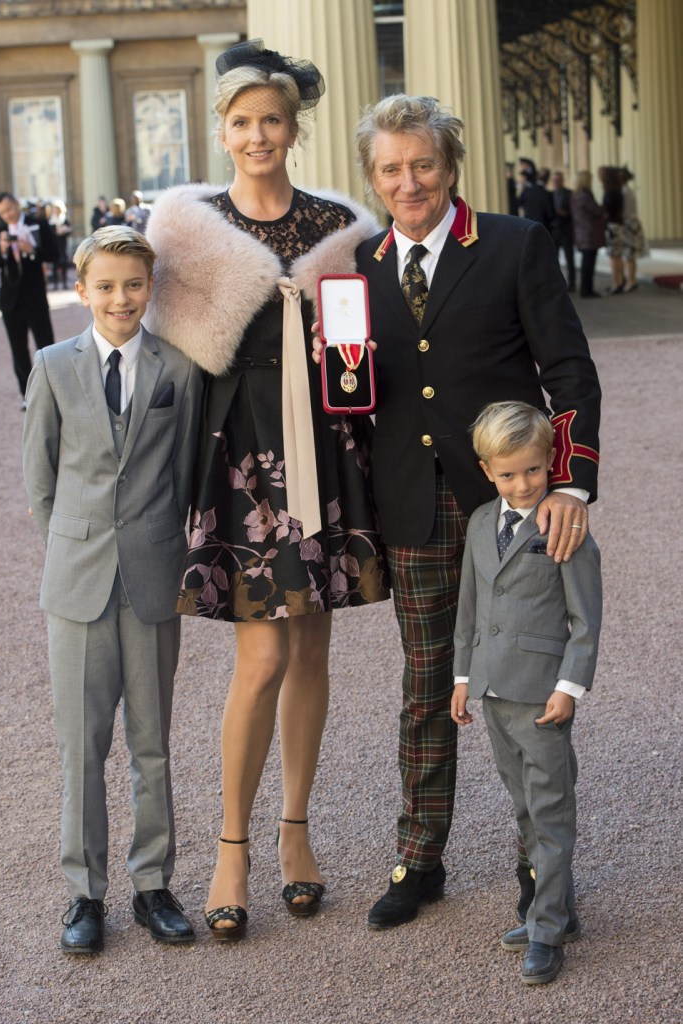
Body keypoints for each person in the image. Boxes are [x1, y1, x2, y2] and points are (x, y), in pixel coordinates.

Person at [314, 94, 600, 930]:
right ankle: (421, 858)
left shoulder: (515, 244)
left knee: (526, 693)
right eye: (392, 169)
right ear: (374, 177)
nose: (410, 182)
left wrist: (571, 486)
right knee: (427, 686)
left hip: (514, 512)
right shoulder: (356, 271)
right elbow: (354, 398)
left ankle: (538, 871)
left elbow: (570, 372)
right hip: (415, 510)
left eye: (424, 165)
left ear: (451, 167)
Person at [145, 39, 390, 941]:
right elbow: (161, 358)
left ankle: (296, 835)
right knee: (261, 659)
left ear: (295, 128)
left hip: (324, 451)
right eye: (242, 122)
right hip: (242, 456)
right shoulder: (187, 227)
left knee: (315, 653)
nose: (258, 135)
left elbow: (372, 350)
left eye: (272, 121)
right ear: (223, 129)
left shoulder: (340, 227)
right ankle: (231, 847)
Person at [22, 226, 203, 954]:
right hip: (78, 582)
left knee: (151, 743)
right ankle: (84, 895)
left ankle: (153, 885)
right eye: (106, 286)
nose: (120, 298)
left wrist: (158, 547)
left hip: (153, 577)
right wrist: (72, 554)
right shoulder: (53, 365)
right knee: (80, 746)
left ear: (149, 287)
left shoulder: (177, 369)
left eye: (133, 284)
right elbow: (40, 482)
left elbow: (186, 473)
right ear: (81, 288)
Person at [452, 400, 602, 985]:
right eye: (509, 473)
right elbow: (470, 607)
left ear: (550, 464)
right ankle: (553, 911)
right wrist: (464, 677)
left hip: (542, 696)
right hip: (492, 691)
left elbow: (585, 618)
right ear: (487, 470)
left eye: (534, 471)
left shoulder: (564, 525)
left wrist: (570, 687)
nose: (523, 484)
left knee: (550, 812)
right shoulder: (480, 521)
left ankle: (547, 929)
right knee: (523, 809)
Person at [0, 191, 58, 408]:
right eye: (2, 213)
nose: (7, 215)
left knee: (46, 348)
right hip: (10, 302)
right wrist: (2, 249)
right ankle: (28, 396)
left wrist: (32, 249)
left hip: (35, 298)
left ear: (17, 205)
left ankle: (53, 392)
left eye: (9, 209)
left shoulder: (39, 224)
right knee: (18, 350)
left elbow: (54, 253)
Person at [570, 170, 607, 299]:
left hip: (582, 232)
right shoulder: (585, 196)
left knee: (587, 262)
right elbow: (596, 210)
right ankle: (587, 290)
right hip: (589, 233)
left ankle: (587, 289)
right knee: (588, 263)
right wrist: (604, 208)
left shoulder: (575, 195)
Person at [619, 167, 647, 292]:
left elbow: (624, 211)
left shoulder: (624, 192)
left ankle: (631, 280)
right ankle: (631, 279)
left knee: (629, 254)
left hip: (629, 224)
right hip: (632, 223)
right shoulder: (627, 190)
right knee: (630, 254)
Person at [599, 165, 625, 293]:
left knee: (614, 256)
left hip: (612, 226)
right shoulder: (618, 191)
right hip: (618, 224)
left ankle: (617, 283)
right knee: (617, 255)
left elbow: (606, 211)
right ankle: (618, 281)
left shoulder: (609, 192)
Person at [550, 170, 576, 291]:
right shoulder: (550, 194)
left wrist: (564, 213)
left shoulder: (569, 194)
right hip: (554, 230)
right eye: (554, 180)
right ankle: (557, 283)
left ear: (562, 181)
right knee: (554, 258)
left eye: (558, 180)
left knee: (569, 257)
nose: (556, 182)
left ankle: (572, 282)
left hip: (566, 230)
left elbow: (574, 212)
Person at [47, 199, 73, 290]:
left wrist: (64, 231)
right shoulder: (51, 221)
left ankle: (65, 282)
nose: (55, 211)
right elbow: (48, 234)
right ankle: (55, 283)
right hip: (54, 245)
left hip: (63, 244)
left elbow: (69, 231)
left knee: (64, 263)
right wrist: (56, 233)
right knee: (55, 264)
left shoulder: (64, 219)